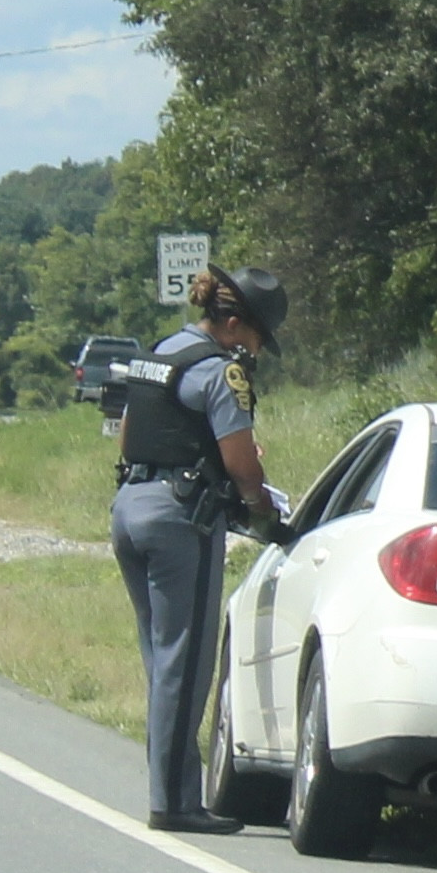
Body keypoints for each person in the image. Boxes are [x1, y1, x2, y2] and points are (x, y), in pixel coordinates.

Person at [112, 264, 293, 835]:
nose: (257, 351)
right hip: (178, 521)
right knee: (186, 666)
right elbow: (242, 464)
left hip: (130, 507)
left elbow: (127, 431)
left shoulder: (162, 352)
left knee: (162, 660)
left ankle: (174, 790)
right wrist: (264, 513)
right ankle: (173, 804)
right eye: (258, 338)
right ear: (235, 323)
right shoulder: (221, 373)